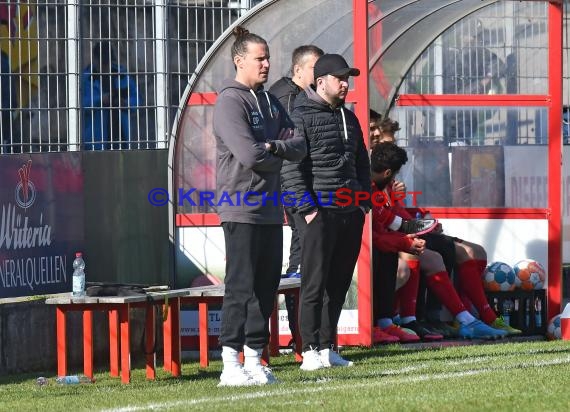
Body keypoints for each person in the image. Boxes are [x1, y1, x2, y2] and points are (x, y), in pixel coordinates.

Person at [213, 26, 306, 387]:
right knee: (241, 284)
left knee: (266, 285)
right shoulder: (230, 102)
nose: (267, 64)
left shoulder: (268, 100)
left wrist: (272, 148)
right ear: (240, 61)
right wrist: (272, 149)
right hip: (240, 207)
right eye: (260, 58)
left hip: (269, 208)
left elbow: (299, 144)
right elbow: (250, 155)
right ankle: (229, 364)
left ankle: (254, 359)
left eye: (268, 57)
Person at [371, 142, 509, 340]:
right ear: (387, 172)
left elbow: (395, 217)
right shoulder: (366, 188)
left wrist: (422, 221)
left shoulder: (385, 187)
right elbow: (387, 225)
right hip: (377, 245)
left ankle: (464, 319)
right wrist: (410, 235)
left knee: (462, 251)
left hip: (393, 236)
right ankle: (403, 320)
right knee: (421, 257)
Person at [283, 53, 369, 370]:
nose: (345, 84)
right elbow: (291, 168)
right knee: (314, 284)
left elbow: (361, 162)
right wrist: (307, 210)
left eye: (347, 79)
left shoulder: (350, 118)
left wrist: (363, 203)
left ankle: (328, 346)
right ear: (321, 82)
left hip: (350, 213)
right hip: (318, 212)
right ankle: (309, 350)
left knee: (339, 283)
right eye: (340, 79)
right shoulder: (300, 116)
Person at [269, 45, 324, 344]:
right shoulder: (288, 98)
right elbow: (290, 150)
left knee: (305, 255)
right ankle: (301, 336)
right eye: (317, 68)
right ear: (300, 69)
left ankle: (304, 335)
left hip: (298, 187)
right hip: (293, 188)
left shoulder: (296, 94)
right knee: (302, 258)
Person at [82, 42, 139, 150]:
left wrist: (126, 103)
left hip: (121, 137)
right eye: (103, 63)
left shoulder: (122, 76)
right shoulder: (85, 79)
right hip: (96, 142)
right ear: (95, 59)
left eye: (107, 62)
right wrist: (100, 100)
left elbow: (137, 99)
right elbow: (79, 105)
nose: (106, 66)